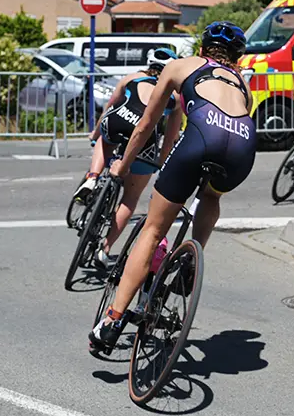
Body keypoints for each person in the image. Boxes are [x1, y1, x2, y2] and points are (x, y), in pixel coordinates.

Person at [88, 21, 256, 353]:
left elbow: (148, 124)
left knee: (152, 230)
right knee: (210, 193)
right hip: (242, 145)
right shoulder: (244, 86)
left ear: (203, 51)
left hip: (201, 136)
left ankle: (112, 321)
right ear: (237, 59)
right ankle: (194, 254)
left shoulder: (180, 66)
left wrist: (123, 165)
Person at [73, 47, 184, 269]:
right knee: (130, 198)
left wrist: (96, 134)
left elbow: (109, 107)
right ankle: (104, 248)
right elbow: (171, 136)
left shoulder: (132, 78)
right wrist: (161, 163)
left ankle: (93, 177)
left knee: (105, 140)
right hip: (145, 140)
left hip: (119, 120)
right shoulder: (174, 97)